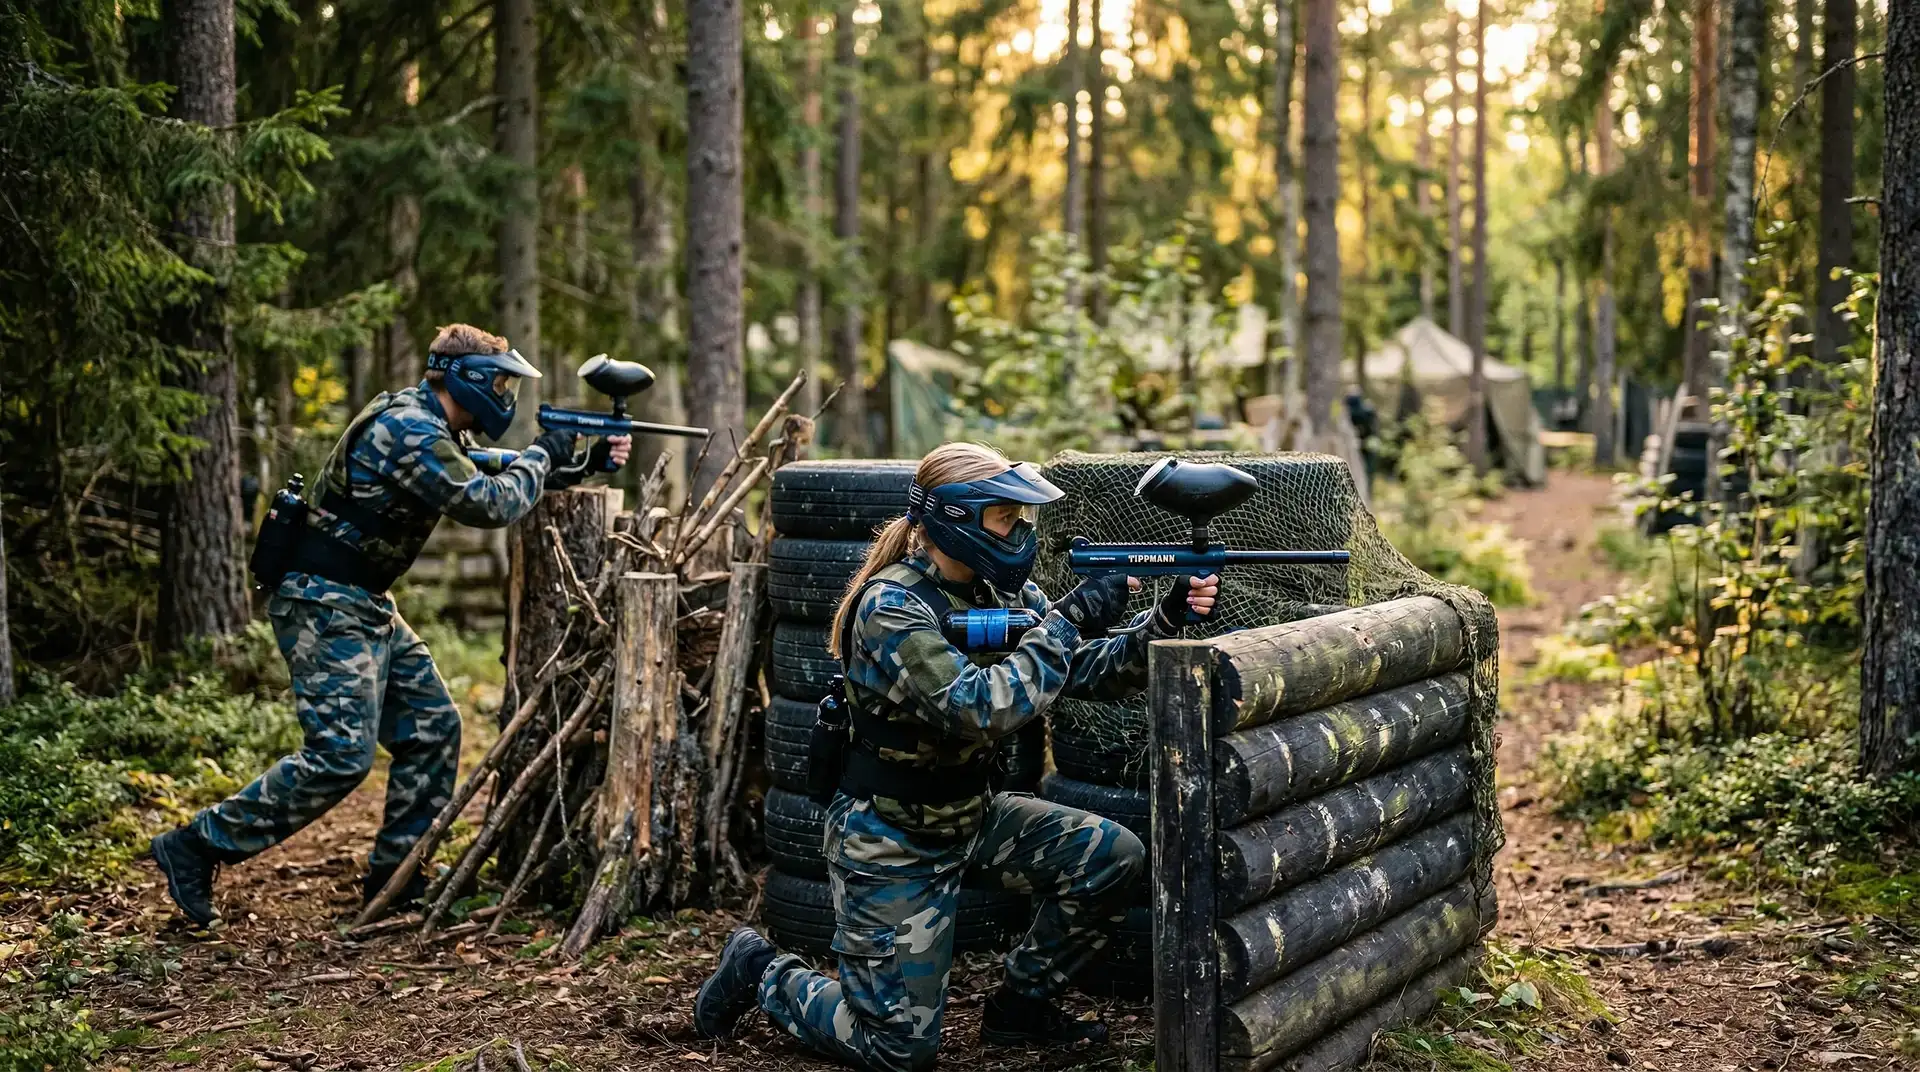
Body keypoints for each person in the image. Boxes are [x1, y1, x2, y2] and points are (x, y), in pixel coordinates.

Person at [692, 442, 1221, 1071]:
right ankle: (762, 971)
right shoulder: (892, 608)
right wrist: (1068, 620)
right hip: (889, 836)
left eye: (1019, 518)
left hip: (969, 815)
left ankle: (1020, 1010)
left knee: (1111, 858)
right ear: (958, 517)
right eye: (1005, 518)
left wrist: (1162, 620)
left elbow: (1080, 671)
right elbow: (979, 706)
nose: (1018, 532)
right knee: (897, 1051)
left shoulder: (1000, 592)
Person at [148, 324, 631, 928]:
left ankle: (397, 879)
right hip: (325, 603)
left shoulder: (433, 428)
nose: (506, 397)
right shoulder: (408, 428)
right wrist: (543, 453)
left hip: (364, 602)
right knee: (340, 757)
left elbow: (488, 470)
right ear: (469, 380)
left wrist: (576, 463)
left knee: (432, 729)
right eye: (501, 384)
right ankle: (196, 845)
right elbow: (488, 502)